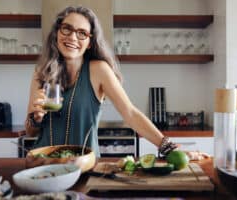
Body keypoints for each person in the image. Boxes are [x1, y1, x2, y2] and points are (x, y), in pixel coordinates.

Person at [25, 6, 177, 157]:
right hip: (43, 163)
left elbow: (130, 113)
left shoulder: (99, 70)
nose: (72, 37)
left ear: (90, 42)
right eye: (67, 29)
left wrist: (168, 147)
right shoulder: (41, 71)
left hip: (83, 165)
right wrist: (35, 118)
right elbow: (30, 131)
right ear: (57, 33)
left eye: (82, 33)